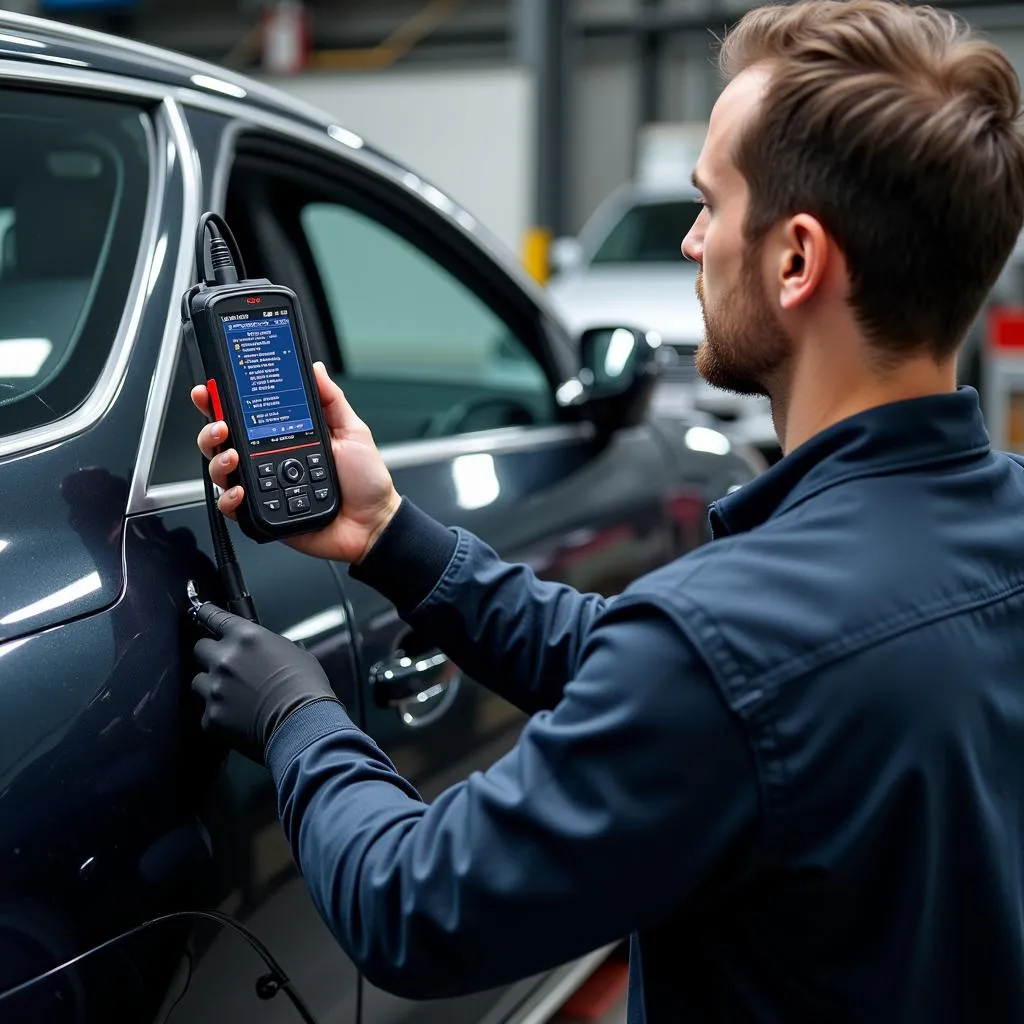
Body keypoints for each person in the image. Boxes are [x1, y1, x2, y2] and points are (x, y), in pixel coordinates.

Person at [190, 1, 1024, 1019]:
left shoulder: (727, 645)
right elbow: (690, 684)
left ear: (796, 259)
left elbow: (411, 904)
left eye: (710, 205)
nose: (691, 241)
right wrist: (390, 537)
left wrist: (296, 717)